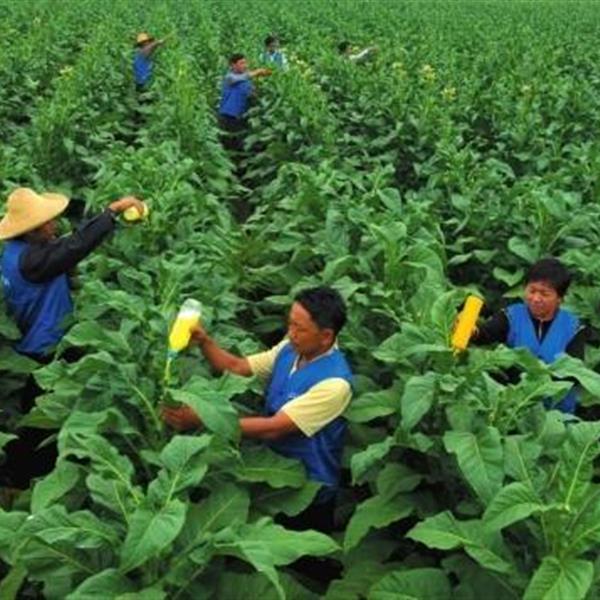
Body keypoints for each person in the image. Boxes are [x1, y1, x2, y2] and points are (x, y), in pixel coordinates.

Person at [162, 286, 353, 533]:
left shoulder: (335, 383)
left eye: (300, 328)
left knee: (303, 548)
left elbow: (274, 428)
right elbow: (238, 367)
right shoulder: (289, 349)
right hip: (268, 471)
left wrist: (202, 418)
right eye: (290, 324)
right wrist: (204, 341)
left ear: (326, 336)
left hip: (308, 486)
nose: (291, 333)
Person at [0, 187, 145, 488]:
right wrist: (112, 211)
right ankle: (28, 481)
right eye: (47, 223)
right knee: (43, 421)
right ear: (31, 230)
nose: (54, 225)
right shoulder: (33, 261)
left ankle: (21, 473)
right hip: (46, 349)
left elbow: (62, 251)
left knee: (35, 414)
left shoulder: (14, 253)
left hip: (30, 342)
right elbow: (75, 246)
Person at [471, 257, 587, 414]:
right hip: (514, 411)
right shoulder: (511, 315)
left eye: (544, 294)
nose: (535, 299)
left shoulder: (573, 327)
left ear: (560, 298)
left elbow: (573, 372)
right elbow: (486, 333)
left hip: (556, 415)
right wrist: (472, 331)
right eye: (531, 291)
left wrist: (538, 375)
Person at [218, 53, 271, 152]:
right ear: (233, 65)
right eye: (241, 63)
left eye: (245, 63)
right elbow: (239, 78)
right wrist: (257, 72)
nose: (245, 65)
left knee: (240, 145)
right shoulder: (230, 77)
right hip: (228, 116)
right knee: (229, 145)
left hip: (241, 116)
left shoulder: (246, 80)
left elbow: (250, 93)